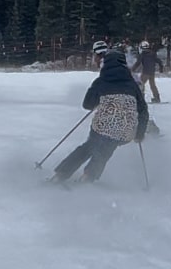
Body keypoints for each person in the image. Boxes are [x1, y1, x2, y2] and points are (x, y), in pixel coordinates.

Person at [51, 47, 149, 184]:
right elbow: (143, 110)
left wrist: (100, 100)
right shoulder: (132, 84)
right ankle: (88, 177)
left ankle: (62, 174)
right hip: (126, 129)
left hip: (103, 126)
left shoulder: (100, 82)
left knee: (90, 146)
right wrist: (140, 133)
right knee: (107, 148)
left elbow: (87, 104)